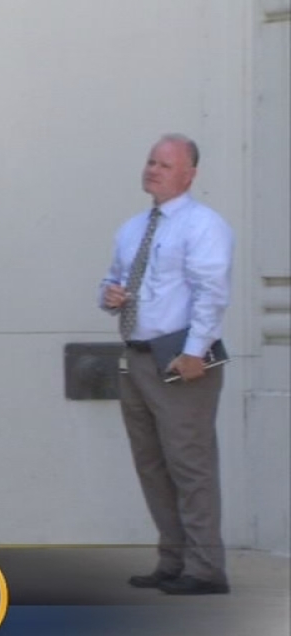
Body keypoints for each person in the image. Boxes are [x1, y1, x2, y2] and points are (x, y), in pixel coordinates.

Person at [100, 133, 233, 595]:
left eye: (164, 164)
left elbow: (211, 292)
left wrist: (195, 351)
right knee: (152, 464)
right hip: (137, 356)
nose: (152, 169)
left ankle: (206, 566)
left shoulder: (202, 225)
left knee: (189, 463)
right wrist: (110, 295)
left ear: (189, 174)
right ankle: (172, 559)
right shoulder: (133, 228)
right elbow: (114, 279)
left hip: (181, 359)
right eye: (150, 161)